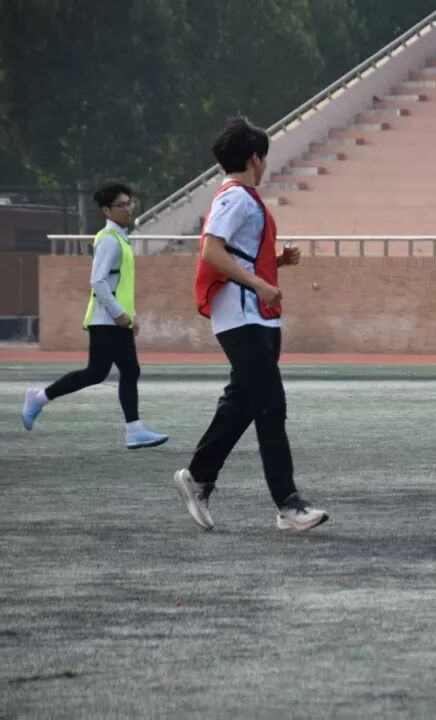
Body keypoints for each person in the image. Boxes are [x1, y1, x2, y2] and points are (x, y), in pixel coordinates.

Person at [172, 116, 329, 533]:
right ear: (255, 158)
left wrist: (275, 263)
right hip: (242, 316)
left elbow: (237, 254)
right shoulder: (236, 198)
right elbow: (211, 251)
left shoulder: (242, 198)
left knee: (243, 402)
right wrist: (260, 283)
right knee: (270, 405)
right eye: (264, 157)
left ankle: (198, 477)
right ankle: (288, 504)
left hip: (254, 316)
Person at [20, 182, 168, 449]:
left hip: (114, 321)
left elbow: (119, 283)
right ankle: (39, 398)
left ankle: (133, 429)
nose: (128, 208)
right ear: (106, 210)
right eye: (120, 205)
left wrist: (130, 316)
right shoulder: (109, 240)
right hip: (107, 321)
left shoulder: (120, 237)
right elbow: (98, 282)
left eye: (129, 203)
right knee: (110, 371)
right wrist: (119, 314)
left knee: (109, 372)